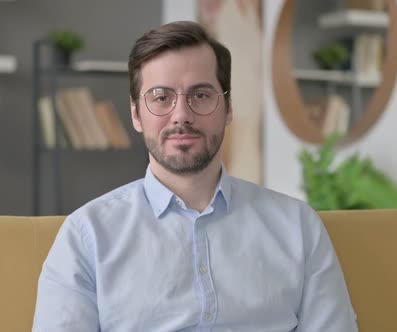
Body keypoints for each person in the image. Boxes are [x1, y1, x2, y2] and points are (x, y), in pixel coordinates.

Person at [32, 21, 358, 332]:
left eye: (200, 95)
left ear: (228, 108)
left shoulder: (298, 228)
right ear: (136, 114)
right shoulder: (87, 236)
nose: (182, 115)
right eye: (161, 97)